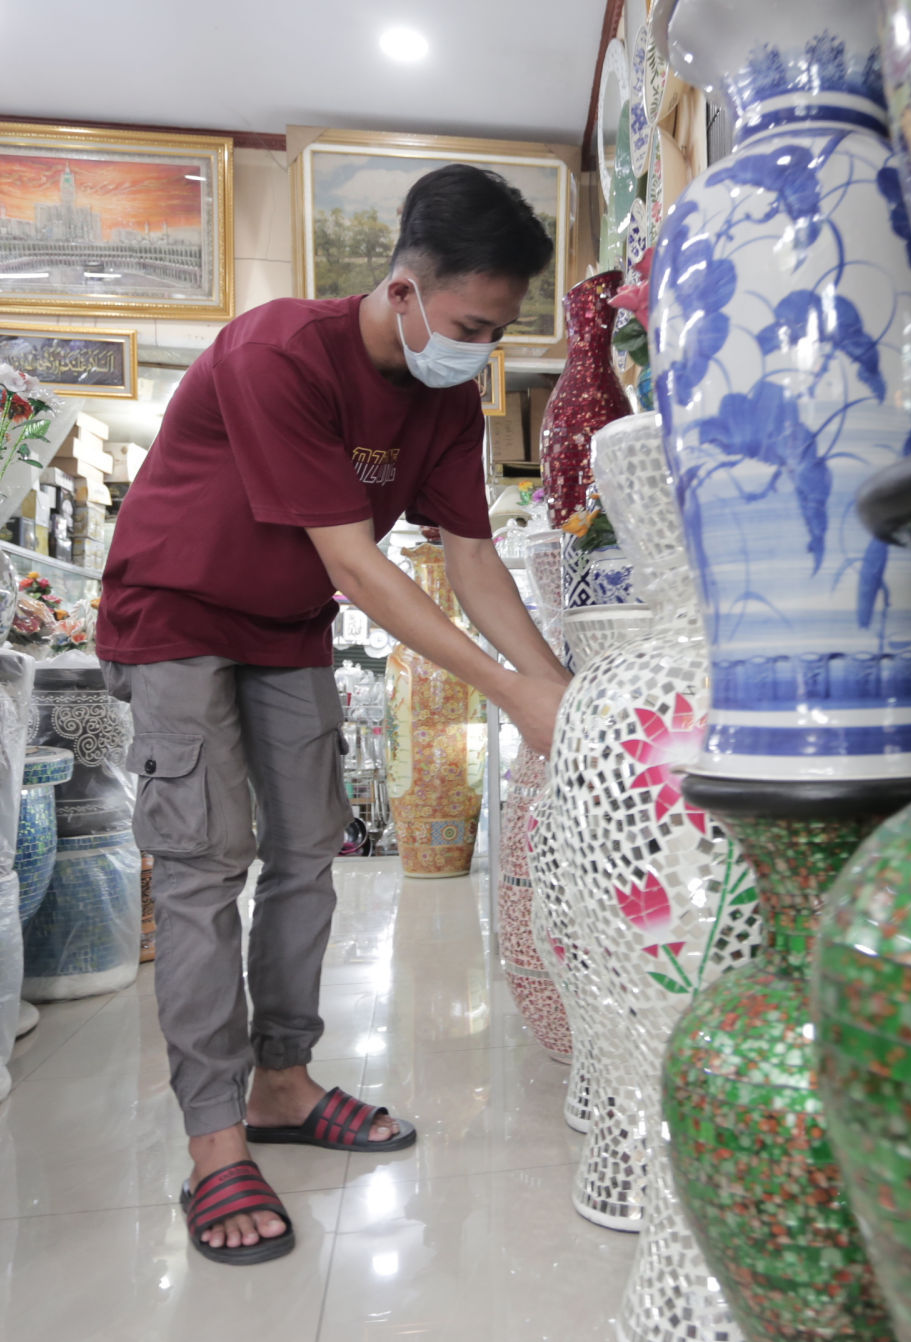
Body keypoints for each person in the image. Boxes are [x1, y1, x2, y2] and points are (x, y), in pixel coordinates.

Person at [96, 164, 572, 1266]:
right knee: (208, 860)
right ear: (403, 289)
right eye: (467, 322)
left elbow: (472, 559)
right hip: (175, 611)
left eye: (497, 332)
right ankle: (217, 1145)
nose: (478, 348)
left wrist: (554, 684)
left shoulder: (448, 395)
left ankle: (282, 1081)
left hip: (283, 625)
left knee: (310, 853)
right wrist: (509, 695)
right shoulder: (277, 352)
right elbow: (358, 566)